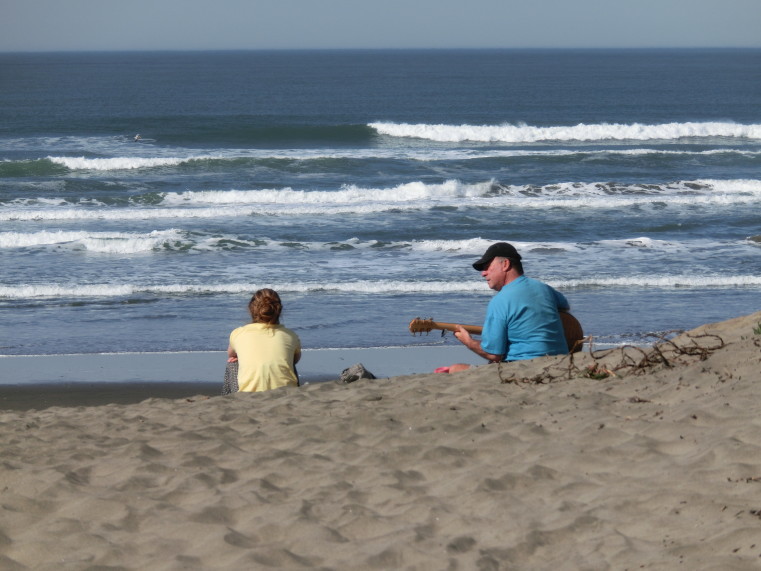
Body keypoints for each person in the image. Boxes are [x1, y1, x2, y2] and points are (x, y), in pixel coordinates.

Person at [450, 242, 570, 369]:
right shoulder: (544, 288)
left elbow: (493, 354)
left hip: (523, 367)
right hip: (562, 363)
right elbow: (564, 307)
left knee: (455, 369)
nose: (483, 273)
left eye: (487, 266)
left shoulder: (500, 301)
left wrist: (468, 341)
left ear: (505, 264)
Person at [225, 288, 301, 392]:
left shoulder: (238, 333)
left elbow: (231, 355)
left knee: (232, 363)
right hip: (286, 393)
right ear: (279, 310)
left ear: (251, 308)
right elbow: (295, 360)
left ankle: (229, 398)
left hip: (249, 394)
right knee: (288, 362)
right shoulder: (291, 335)